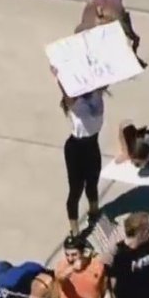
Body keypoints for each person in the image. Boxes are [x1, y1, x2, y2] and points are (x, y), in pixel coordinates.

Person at [54, 62, 106, 235]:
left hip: (93, 144)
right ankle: (75, 232)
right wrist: (58, 76)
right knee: (76, 189)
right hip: (76, 148)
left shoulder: (96, 94)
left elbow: (104, 75)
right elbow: (65, 91)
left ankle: (94, 212)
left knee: (93, 182)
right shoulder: (74, 101)